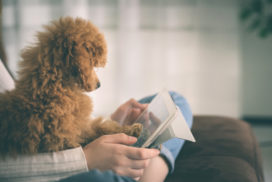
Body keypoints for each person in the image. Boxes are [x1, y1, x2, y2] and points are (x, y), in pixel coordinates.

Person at [0, 59, 193, 182]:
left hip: (63, 148)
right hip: (68, 167)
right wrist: (87, 159)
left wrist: (110, 125)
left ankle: (139, 167)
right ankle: (146, 173)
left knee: (175, 101)